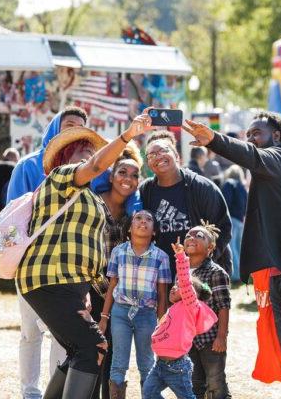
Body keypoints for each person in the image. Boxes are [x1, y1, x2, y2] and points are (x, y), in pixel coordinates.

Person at [183, 110, 281, 398]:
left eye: (257, 133)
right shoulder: (268, 171)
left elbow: (252, 155)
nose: (251, 138)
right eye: (248, 134)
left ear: (276, 136)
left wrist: (214, 138)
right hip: (280, 273)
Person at [18, 111, 155, 399]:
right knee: (93, 346)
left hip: (73, 285)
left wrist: (100, 292)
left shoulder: (91, 198)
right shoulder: (59, 177)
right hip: (49, 279)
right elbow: (95, 166)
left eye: (92, 150)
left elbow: (93, 249)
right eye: (84, 149)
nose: (91, 155)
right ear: (67, 154)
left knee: (78, 350)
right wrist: (128, 135)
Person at [6, 106, 87, 399]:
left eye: (78, 125)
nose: (72, 129)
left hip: (68, 265)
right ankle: (30, 392)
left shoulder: (88, 169)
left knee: (62, 334)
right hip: (31, 263)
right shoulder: (27, 167)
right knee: (30, 332)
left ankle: (56, 390)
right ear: (55, 127)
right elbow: (12, 216)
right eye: (67, 124)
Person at [91, 143, 145, 399]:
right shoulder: (93, 203)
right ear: (111, 176)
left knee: (113, 353)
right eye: (122, 172)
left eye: (134, 175)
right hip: (87, 288)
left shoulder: (133, 216)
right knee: (88, 350)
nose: (128, 179)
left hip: (116, 294)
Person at [139, 131, 232, 278]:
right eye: (152, 155)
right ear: (149, 164)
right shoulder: (145, 191)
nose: (158, 156)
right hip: (163, 278)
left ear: (177, 156)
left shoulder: (202, 187)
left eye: (164, 151)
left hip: (202, 277)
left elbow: (223, 228)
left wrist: (202, 266)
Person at [99, 210, 171, 398]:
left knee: (146, 363)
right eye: (138, 218)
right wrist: (104, 317)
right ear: (129, 228)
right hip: (120, 313)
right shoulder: (118, 251)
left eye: (149, 220)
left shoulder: (161, 257)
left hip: (146, 315)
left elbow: (162, 294)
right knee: (118, 362)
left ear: (154, 231)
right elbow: (112, 285)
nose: (143, 222)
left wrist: (162, 323)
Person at [142, 237, 218, 399]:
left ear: (191, 294)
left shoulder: (191, 306)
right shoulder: (175, 308)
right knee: (148, 393)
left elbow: (185, 282)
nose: (175, 287)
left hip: (177, 367)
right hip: (160, 364)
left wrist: (181, 257)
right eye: (175, 285)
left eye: (179, 286)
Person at [183, 223, 232, 399]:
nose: (192, 237)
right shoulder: (182, 271)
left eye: (199, 236)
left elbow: (223, 306)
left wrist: (221, 336)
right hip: (189, 340)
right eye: (189, 235)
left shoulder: (215, 272)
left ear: (210, 247)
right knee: (194, 383)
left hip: (211, 339)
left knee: (215, 383)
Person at [221, 165, 248, 282]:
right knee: (238, 247)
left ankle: (235, 275)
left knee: (232, 248)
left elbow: (225, 202)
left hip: (231, 219)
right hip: (240, 220)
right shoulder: (242, 187)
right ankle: (242, 274)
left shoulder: (228, 184)